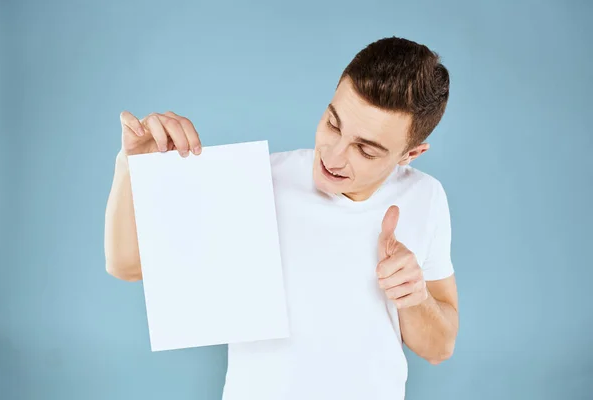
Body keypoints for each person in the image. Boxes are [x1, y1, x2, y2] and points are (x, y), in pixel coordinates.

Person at [104, 36, 459, 400]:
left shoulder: (425, 197)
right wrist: (131, 166)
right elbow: (126, 265)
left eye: (366, 150)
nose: (333, 157)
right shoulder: (258, 181)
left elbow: (439, 348)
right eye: (333, 124)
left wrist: (415, 297)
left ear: (410, 153)